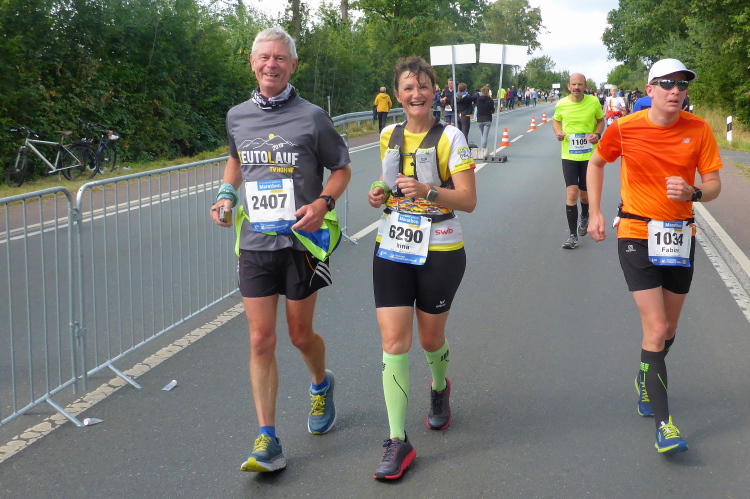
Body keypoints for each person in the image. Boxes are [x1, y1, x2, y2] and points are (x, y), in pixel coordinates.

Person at [210, 26, 352, 473]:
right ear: (252, 63)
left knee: (299, 335)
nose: (271, 64)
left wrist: (323, 203)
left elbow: (342, 169)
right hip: (255, 242)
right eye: (264, 57)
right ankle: (267, 439)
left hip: (301, 243)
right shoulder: (237, 116)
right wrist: (226, 194)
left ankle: (320, 384)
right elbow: (237, 158)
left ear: (292, 65)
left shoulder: (312, 117)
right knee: (260, 338)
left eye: (279, 58)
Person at [586, 58, 722, 454]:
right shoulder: (624, 128)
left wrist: (695, 192)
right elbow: (596, 163)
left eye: (682, 85)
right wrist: (595, 212)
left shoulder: (698, 129)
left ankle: (646, 373)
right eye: (666, 84)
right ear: (650, 90)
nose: (676, 91)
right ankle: (665, 425)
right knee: (657, 327)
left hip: (679, 235)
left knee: (670, 328)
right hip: (636, 231)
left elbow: (714, 183)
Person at [367, 55, 477, 480]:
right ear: (397, 95)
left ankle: (439, 387)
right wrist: (378, 193)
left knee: (431, 339)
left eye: (423, 86)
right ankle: (397, 440)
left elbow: (468, 200)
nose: (416, 94)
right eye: (408, 88)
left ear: (435, 92)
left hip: (441, 247)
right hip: (393, 244)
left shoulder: (451, 136)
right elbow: (387, 184)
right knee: (394, 340)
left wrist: (428, 191)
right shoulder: (389, 135)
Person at [551, 73, 605, 250]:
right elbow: (556, 121)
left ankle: (584, 215)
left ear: (585, 86)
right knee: (572, 192)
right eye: (573, 84)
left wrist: (597, 134)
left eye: (580, 84)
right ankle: (572, 235)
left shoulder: (593, 102)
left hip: (589, 157)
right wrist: (558, 132)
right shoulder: (562, 104)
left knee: (584, 195)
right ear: (568, 86)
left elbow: (601, 121)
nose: (576, 87)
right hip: (569, 155)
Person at [476, 85, 495, 150]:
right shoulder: (490, 100)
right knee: (485, 136)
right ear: (488, 92)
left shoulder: (478, 100)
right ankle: (483, 149)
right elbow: (492, 110)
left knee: (483, 135)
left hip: (479, 119)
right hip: (487, 119)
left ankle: (483, 147)